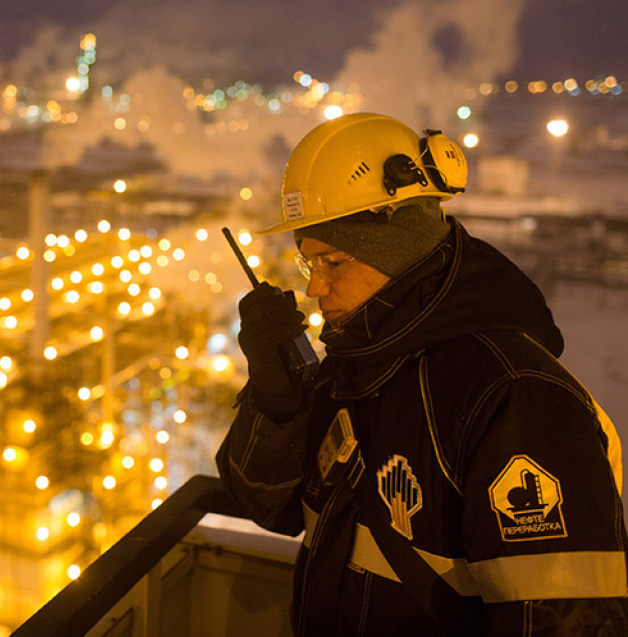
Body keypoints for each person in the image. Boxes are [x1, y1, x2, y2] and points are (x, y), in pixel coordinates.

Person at [216, 113, 628, 635]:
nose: (314, 288)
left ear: (398, 249)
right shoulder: (358, 366)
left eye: (333, 262)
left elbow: (571, 621)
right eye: (308, 264)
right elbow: (268, 508)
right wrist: (277, 404)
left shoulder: (511, 395)